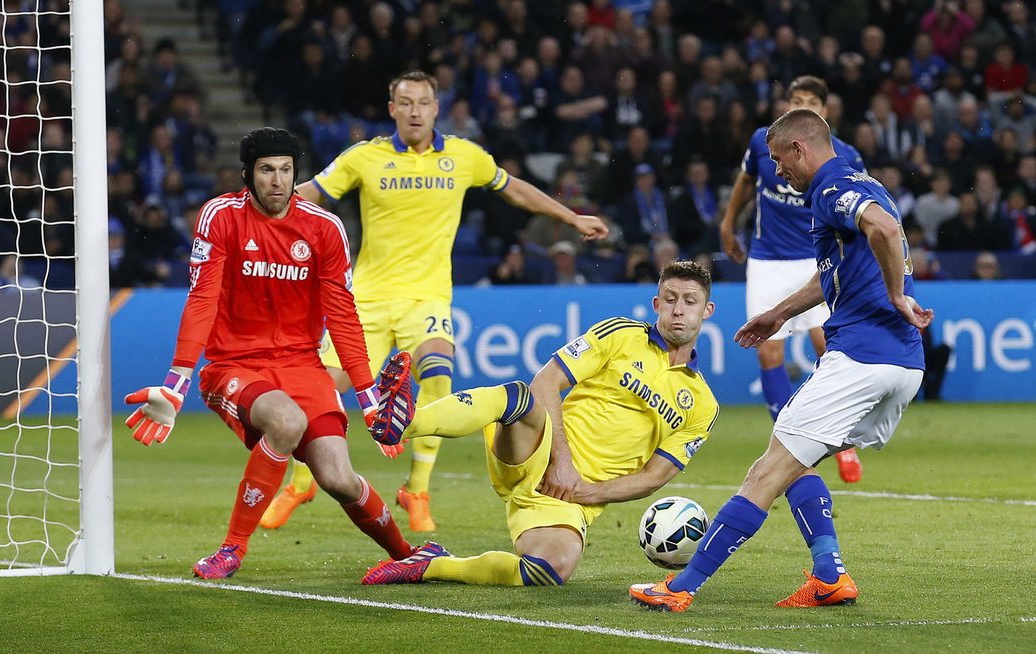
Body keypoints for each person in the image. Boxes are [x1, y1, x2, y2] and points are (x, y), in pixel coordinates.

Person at [268, 70, 608, 533]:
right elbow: (308, 194)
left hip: (426, 298)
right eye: (404, 102)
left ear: (435, 107)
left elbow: (515, 189)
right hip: (364, 300)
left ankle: (417, 489)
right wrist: (256, 209)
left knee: (437, 377)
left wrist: (570, 216)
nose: (414, 111)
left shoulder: (463, 157)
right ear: (392, 109)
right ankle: (303, 479)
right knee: (322, 390)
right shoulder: (364, 158)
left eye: (423, 102)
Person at [630, 108, 931, 612]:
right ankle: (829, 576)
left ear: (800, 148)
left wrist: (898, 295)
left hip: (860, 358)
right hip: (904, 366)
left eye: (778, 159)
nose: (777, 171)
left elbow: (882, 229)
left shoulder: (833, 188)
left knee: (764, 473)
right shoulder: (863, 182)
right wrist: (777, 313)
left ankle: (678, 588)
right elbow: (836, 269)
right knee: (796, 462)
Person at [124, 127, 425, 579]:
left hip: (303, 368)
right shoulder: (220, 216)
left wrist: (367, 396)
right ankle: (232, 549)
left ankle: (407, 556)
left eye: (286, 170)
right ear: (248, 174)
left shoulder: (324, 227)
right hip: (235, 366)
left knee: (338, 478)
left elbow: (342, 316)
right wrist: (176, 382)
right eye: (266, 170)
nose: (278, 181)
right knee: (285, 422)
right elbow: (202, 299)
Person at [360, 260, 720, 587]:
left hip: (566, 501)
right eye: (670, 299)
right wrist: (561, 461)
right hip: (538, 449)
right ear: (656, 305)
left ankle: (432, 565)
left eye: (689, 301)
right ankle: (402, 423)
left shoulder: (703, 404)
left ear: (707, 311)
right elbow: (547, 382)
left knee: (549, 571)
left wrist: (585, 492)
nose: (678, 310)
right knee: (520, 398)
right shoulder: (621, 335)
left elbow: (654, 477)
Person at [718, 75, 867, 484]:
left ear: (825, 109)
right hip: (767, 259)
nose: (803, 106)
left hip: (818, 260)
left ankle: (841, 438)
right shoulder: (764, 143)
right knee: (768, 353)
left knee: (828, 347)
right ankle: (786, 443)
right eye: (795, 100)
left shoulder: (846, 155)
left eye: (810, 101)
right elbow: (746, 182)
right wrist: (729, 223)